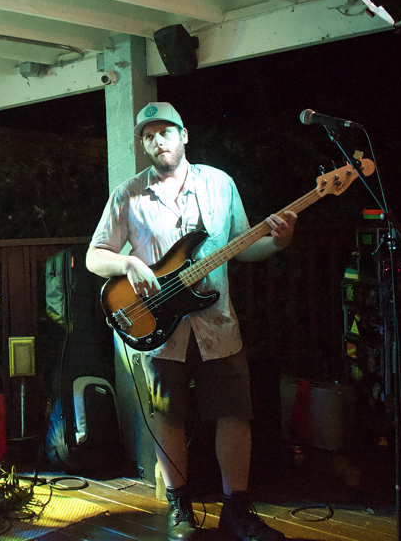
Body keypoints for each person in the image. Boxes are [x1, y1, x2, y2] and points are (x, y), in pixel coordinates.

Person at [85, 102, 295, 541]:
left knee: (234, 413)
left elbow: (242, 246)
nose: (157, 140)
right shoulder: (127, 194)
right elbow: (94, 256)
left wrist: (275, 243)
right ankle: (179, 504)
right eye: (148, 135)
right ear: (144, 145)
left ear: (184, 135)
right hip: (159, 329)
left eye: (165, 131)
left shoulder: (219, 184)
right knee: (168, 416)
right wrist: (125, 264)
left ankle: (237, 508)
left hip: (217, 324)